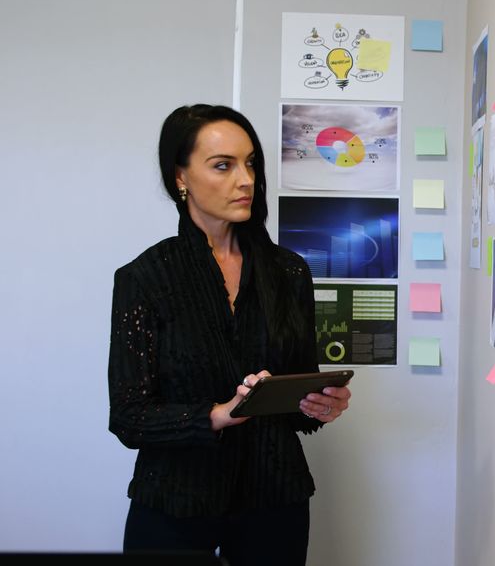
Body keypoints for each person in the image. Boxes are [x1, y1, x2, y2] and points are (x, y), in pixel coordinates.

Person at [107, 104, 351, 566]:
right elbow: (130, 416)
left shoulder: (289, 271)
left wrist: (321, 404)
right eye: (223, 165)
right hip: (174, 500)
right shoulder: (144, 278)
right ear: (180, 177)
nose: (246, 180)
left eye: (251, 163)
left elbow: (299, 395)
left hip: (274, 496)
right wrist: (218, 414)